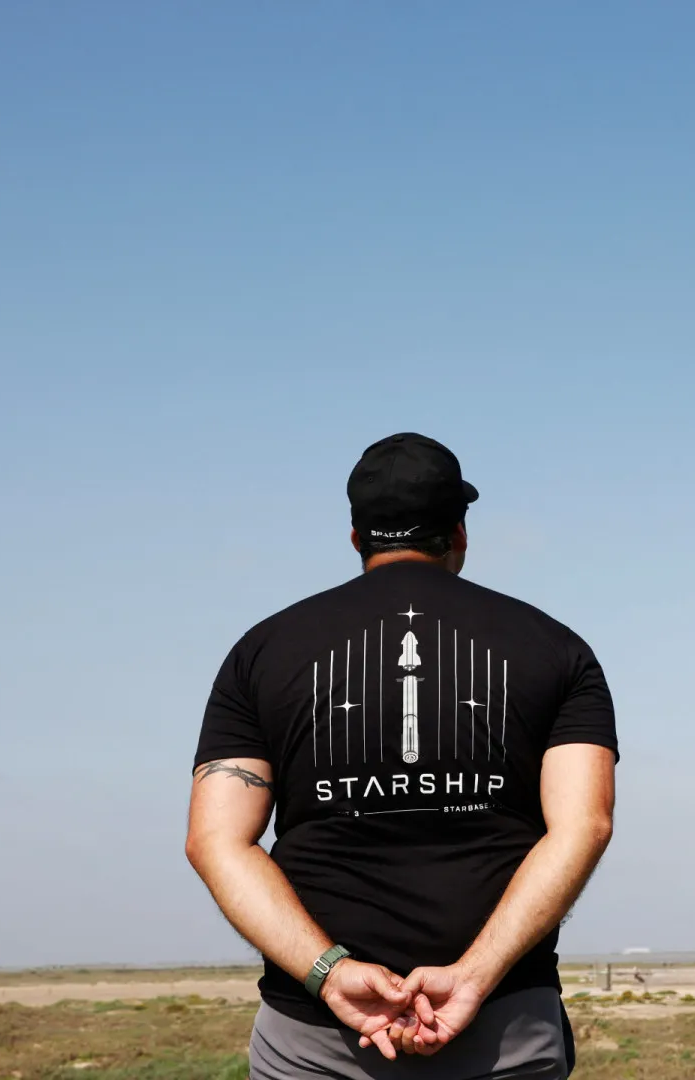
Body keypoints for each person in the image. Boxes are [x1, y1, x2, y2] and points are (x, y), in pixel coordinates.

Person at [187, 433, 617, 1079]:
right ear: (460, 532)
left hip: (316, 1039)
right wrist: (474, 976)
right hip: (504, 1030)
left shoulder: (262, 652)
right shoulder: (556, 649)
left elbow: (215, 841)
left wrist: (328, 973)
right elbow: (584, 825)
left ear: (356, 536)